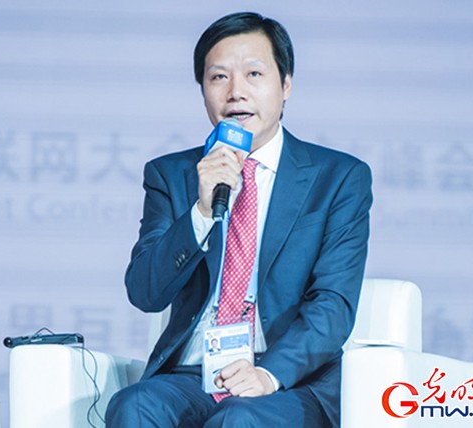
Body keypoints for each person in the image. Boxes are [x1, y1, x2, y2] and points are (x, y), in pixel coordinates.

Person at [106, 11, 372, 428]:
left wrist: (268, 374)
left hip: (289, 383)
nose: (235, 93)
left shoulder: (337, 177)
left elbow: (333, 304)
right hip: (192, 376)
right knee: (134, 405)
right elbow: (145, 293)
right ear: (203, 91)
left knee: (239, 417)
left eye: (253, 74)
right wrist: (200, 212)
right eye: (218, 77)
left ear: (286, 85)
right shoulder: (172, 175)